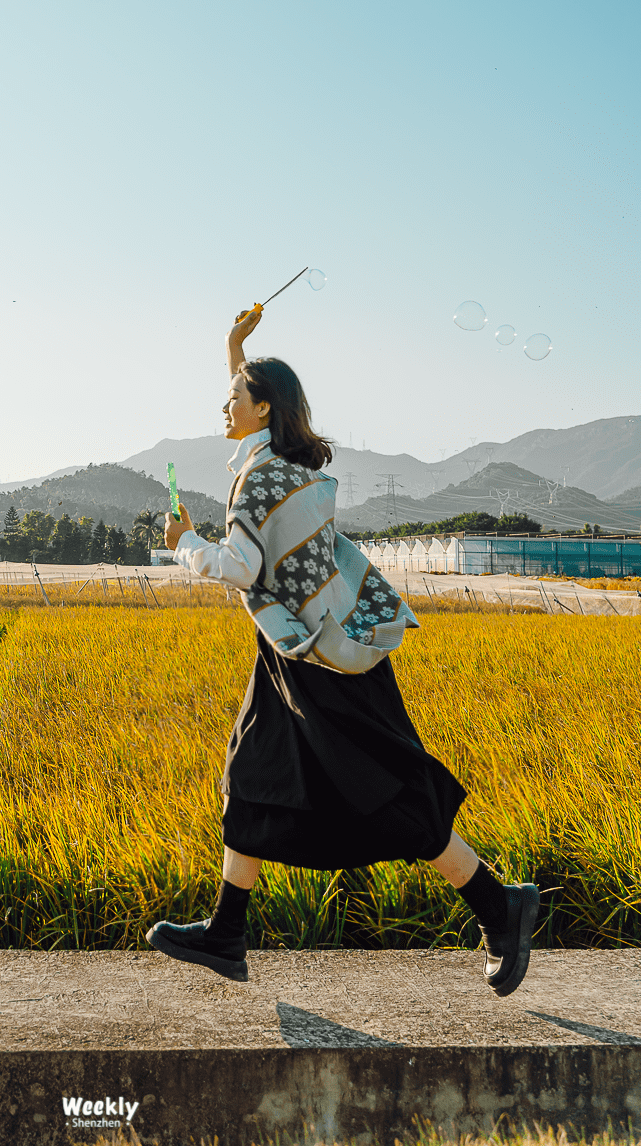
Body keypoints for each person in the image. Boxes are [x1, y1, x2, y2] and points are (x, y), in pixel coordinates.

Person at [146, 307, 538, 995]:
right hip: (294, 653)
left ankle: (499, 904)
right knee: (253, 775)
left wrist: (183, 540)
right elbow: (253, 414)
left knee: (385, 794)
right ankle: (227, 934)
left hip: (321, 663)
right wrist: (236, 347)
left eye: (234, 396)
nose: (223, 404)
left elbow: (238, 566)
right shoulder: (276, 464)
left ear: (263, 408)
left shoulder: (262, 479)